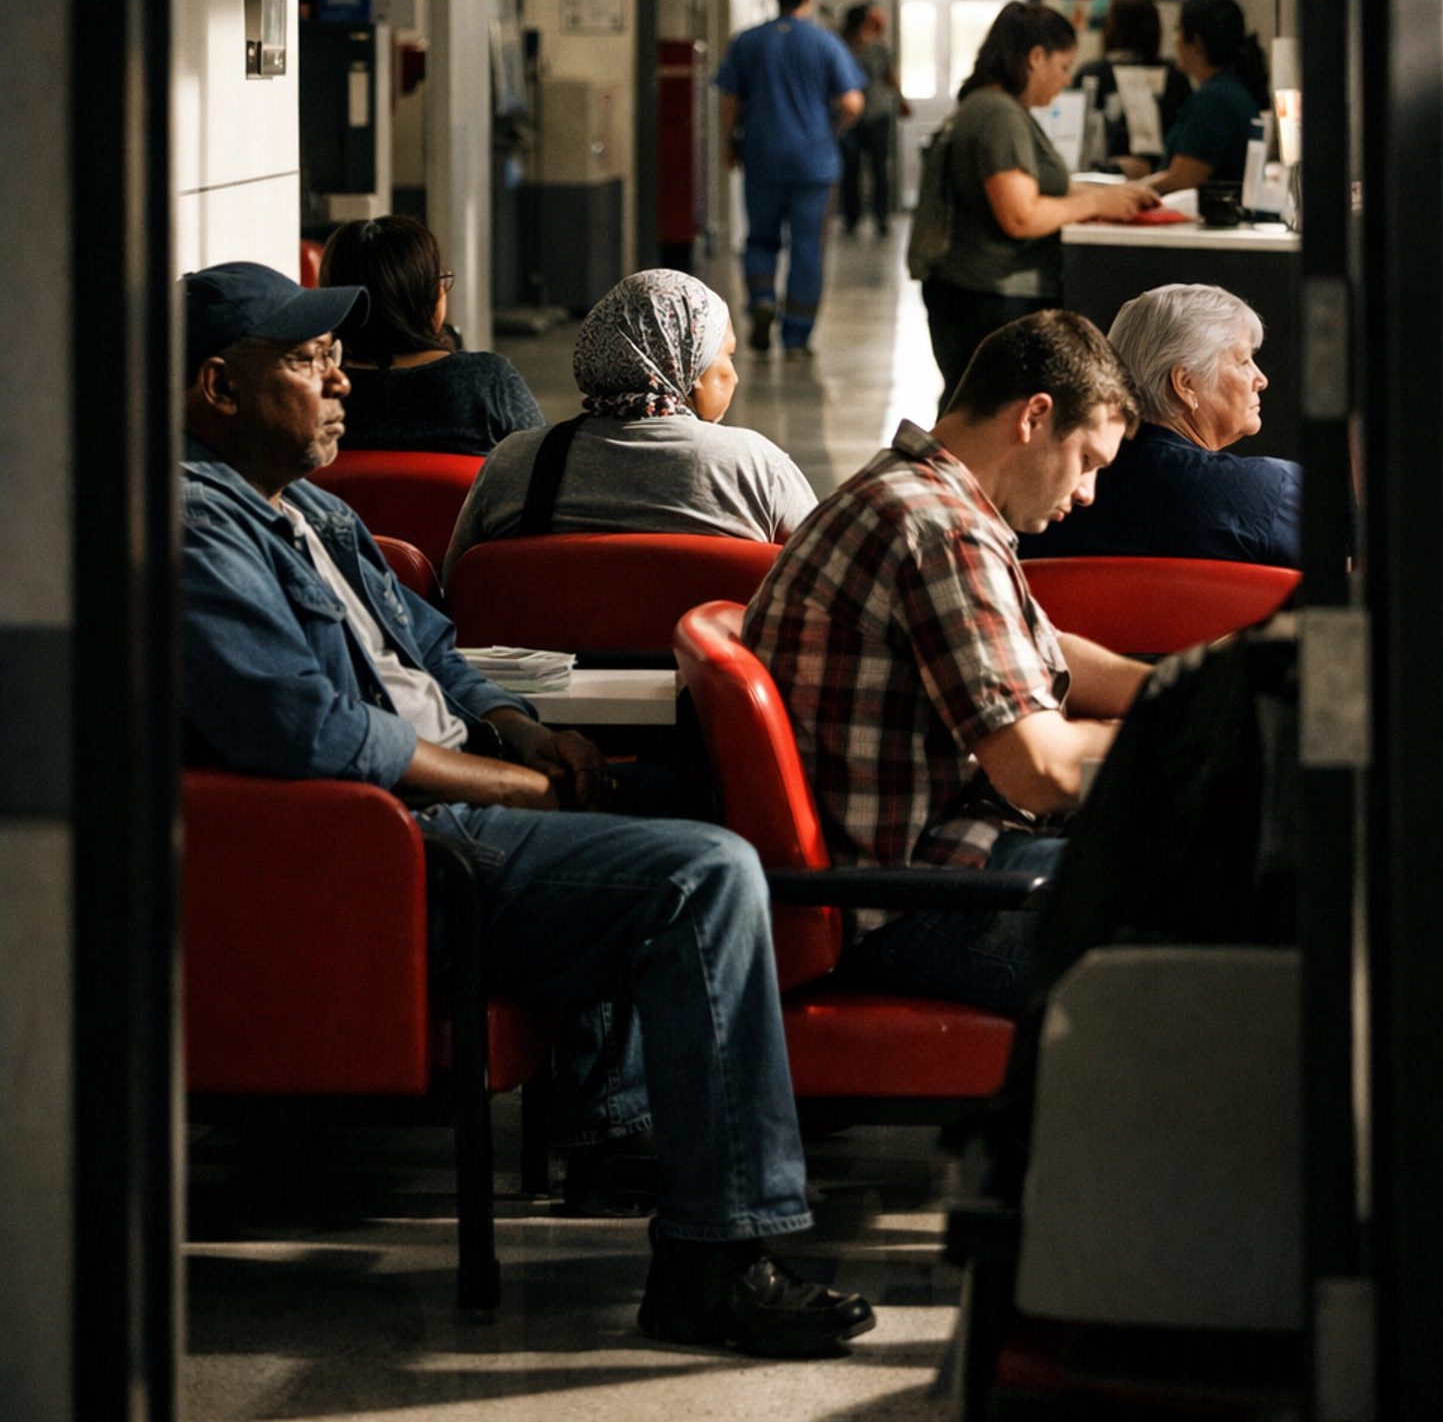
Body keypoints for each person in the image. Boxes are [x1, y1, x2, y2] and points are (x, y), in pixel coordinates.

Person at [178, 261, 874, 1358]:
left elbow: (434, 643)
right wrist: (519, 783)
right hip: (397, 850)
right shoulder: (193, 530)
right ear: (218, 387)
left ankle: (635, 1113)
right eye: (310, 363)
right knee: (699, 876)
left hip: (455, 801)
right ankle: (721, 1249)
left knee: (705, 803)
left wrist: (527, 730)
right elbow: (310, 736)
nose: (344, 380)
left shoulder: (308, 507)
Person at [743, 311, 1151, 1018]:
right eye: (1087, 461)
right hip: (915, 901)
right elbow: (1041, 769)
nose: (1087, 493)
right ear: (1034, 417)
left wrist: (1171, 687)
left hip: (917, 869)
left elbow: (1043, 652)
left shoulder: (909, 493)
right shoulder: (940, 531)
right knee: (1222, 912)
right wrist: (1175, 737)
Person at [443, 269, 816, 576]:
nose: (734, 376)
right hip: (696, 664)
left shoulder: (516, 462)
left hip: (556, 665)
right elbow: (822, 582)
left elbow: (457, 587)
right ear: (687, 367)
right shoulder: (755, 466)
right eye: (727, 357)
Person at [915, 0, 1157, 411]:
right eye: (1063, 67)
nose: (1066, 81)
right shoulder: (997, 115)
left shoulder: (996, 108)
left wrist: (1113, 196)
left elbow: (1042, 189)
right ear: (1035, 57)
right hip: (989, 297)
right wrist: (1098, 200)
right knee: (986, 414)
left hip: (980, 292)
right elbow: (1020, 215)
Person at [1016, 282, 1301, 565]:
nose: (1261, 379)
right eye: (1243, 361)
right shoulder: (1270, 493)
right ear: (1185, 384)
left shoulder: (1042, 500)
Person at [715, 0, 865, 358]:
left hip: (762, 157)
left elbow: (729, 100)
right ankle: (796, 337)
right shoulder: (825, 43)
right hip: (814, 164)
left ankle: (762, 298)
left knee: (761, 237)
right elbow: (852, 102)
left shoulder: (747, 42)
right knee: (807, 249)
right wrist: (832, 130)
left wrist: (729, 141)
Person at [318, 215, 541, 455]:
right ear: (424, 295)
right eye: (438, 279)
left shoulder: (319, 394)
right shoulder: (487, 381)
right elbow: (546, 466)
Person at [1119, 0, 1269, 196]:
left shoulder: (1214, 101)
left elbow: (1184, 178)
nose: (1175, 40)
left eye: (1178, 31)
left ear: (1195, 43)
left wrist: (1124, 193)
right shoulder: (1229, 89)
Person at [1072, 0, 1190, 169]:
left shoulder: (1092, 75)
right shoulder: (1174, 77)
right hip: (1163, 174)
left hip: (1102, 175)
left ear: (1110, 27)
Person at [839, 2, 909, 235]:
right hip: (851, 119)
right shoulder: (841, 49)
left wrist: (901, 100)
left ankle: (881, 217)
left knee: (880, 170)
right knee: (851, 170)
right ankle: (852, 218)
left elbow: (890, 76)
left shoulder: (879, 49)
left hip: (878, 115)